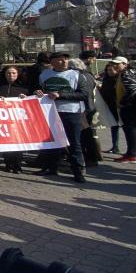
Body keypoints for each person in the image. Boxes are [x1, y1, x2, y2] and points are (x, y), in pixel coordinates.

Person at [34, 51, 92, 183]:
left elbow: (83, 94)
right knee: (51, 141)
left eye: (66, 59)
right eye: (60, 60)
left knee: (74, 143)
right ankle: (50, 167)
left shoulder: (76, 75)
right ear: (52, 61)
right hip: (51, 112)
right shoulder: (44, 74)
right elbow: (39, 90)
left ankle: (78, 171)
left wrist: (61, 95)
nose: (64, 62)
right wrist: (38, 92)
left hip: (71, 113)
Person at [0, 65, 28, 173]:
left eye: (13, 73)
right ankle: (8, 163)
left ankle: (17, 164)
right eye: (8, 73)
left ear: (18, 74)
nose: (11, 75)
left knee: (18, 141)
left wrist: (25, 98)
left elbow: (31, 101)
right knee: (7, 142)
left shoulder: (24, 87)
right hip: (3, 118)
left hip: (18, 119)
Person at [99, 58, 126, 155]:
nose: (109, 72)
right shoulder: (107, 79)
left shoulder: (119, 79)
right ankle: (115, 146)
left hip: (119, 105)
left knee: (125, 127)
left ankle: (130, 149)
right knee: (114, 126)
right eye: (108, 70)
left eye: (111, 70)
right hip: (110, 105)